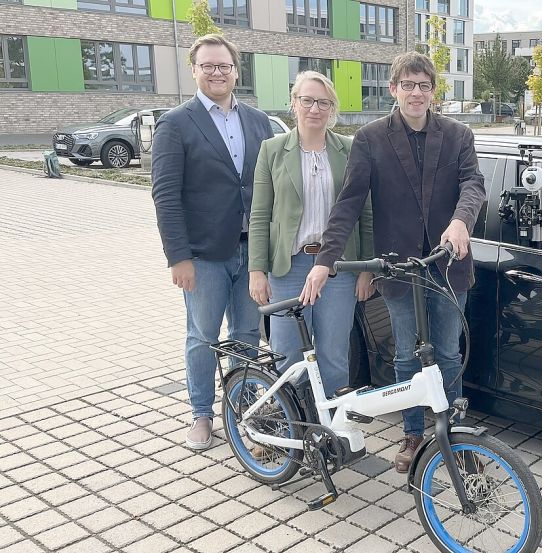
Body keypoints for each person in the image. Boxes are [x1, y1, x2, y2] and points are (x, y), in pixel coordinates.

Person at [300, 51, 485, 474]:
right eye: (408, 85)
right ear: (393, 89)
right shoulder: (371, 138)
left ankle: (454, 436)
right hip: (398, 267)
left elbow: (473, 183)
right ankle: (413, 431)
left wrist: (461, 222)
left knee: (449, 354)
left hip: (447, 263)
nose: (416, 93)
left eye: (423, 85)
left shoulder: (458, 135)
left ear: (433, 91)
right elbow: (348, 203)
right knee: (405, 354)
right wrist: (325, 261)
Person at [151, 34, 273, 450]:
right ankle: (202, 414)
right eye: (209, 66)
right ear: (195, 70)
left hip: (251, 251)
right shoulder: (176, 123)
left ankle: (243, 414)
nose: (217, 72)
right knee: (202, 336)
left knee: (246, 336)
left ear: (236, 70)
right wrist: (178, 257)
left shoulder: (258, 121)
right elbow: (165, 195)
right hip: (202, 256)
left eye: (224, 65)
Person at [247, 71, 374, 397]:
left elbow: (365, 214)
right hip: (289, 267)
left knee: (333, 351)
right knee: (287, 351)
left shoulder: (350, 150)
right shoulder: (272, 150)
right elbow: (260, 214)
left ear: (332, 108)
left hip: (339, 268)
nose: (314, 108)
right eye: (307, 100)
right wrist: (256, 270)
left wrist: (365, 270)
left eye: (323, 102)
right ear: (295, 104)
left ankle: (332, 429)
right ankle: (284, 423)